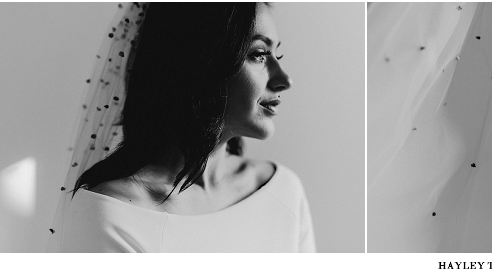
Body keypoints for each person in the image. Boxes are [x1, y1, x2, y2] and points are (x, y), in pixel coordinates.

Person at [47, 2, 315, 252]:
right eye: (259, 54)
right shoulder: (109, 215)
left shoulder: (284, 192)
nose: (284, 80)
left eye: (277, 54)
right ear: (200, 62)